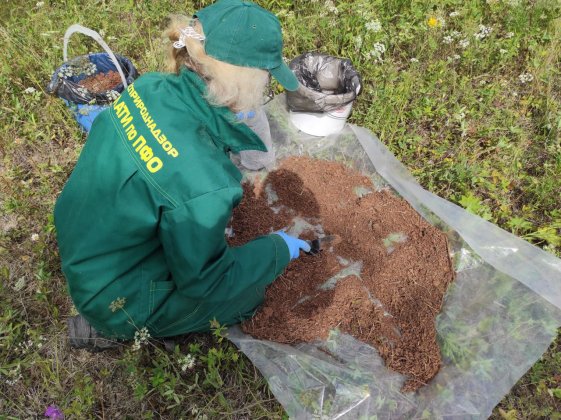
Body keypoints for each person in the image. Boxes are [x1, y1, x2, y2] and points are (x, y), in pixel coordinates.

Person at [54, 0, 311, 350]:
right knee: (246, 297)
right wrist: (277, 250)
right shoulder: (205, 182)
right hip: (115, 297)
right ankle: (109, 328)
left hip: (86, 247)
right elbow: (208, 282)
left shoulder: (149, 88)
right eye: (266, 78)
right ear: (244, 82)